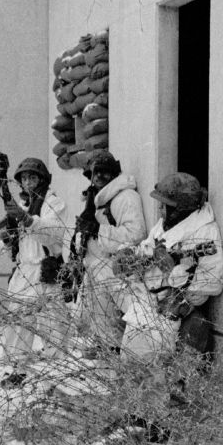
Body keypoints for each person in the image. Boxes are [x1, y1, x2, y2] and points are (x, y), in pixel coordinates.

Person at [112, 170, 223, 371]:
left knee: (155, 373)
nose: (161, 209)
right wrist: (130, 257)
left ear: (181, 208)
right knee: (130, 367)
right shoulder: (166, 224)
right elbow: (147, 249)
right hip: (146, 304)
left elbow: (214, 282)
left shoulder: (205, 231)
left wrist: (175, 274)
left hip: (173, 307)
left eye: (166, 206)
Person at [66, 151, 147, 357]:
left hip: (115, 269)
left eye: (105, 172)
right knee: (100, 321)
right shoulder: (95, 200)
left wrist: (98, 230)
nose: (99, 177)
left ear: (114, 173)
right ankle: (107, 355)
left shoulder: (125, 197)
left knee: (129, 321)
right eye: (95, 173)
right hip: (96, 268)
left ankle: (124, 359)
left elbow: (136, 235)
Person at [0, 154, 67, 380]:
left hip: (45, 270)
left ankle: (58, 372)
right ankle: (18, 370)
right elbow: (10, 244)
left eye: (32, 178)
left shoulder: (53, 203)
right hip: (24, 270)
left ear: (42, 179)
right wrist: (7, 236)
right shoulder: (21, 205)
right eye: (24, 178)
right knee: (17, 324)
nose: (27, 182)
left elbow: (54, 233)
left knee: (53, 326)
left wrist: (27, 220)